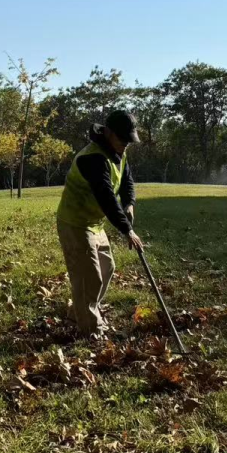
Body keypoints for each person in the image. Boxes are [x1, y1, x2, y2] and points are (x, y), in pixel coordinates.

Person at [55, 109, 143, 338]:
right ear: (109, 133)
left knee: (107, 268)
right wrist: (127, 230)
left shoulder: (118, 152)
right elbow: (106, 198)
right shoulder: (93, 158)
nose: (126, 144)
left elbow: (126, 181)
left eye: (129, 140)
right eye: (123, 139)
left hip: (94, 223)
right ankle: (91, 330)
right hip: (75, 222)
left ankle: (79, 311)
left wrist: (130, 204)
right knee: (89, 277)